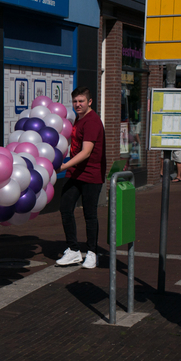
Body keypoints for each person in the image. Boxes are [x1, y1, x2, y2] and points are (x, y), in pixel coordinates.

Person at [56, 87, 106, 269]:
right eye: (75, 101)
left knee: (89, 214)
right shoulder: (79, 118)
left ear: (90, 102)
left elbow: (86, 152)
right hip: (76, 172)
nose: (77, 104)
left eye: (81, 101)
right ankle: (73, 250)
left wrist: (62, 166)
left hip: (92, 173)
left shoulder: (92, 121)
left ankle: (92, 253)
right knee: (65, 207)